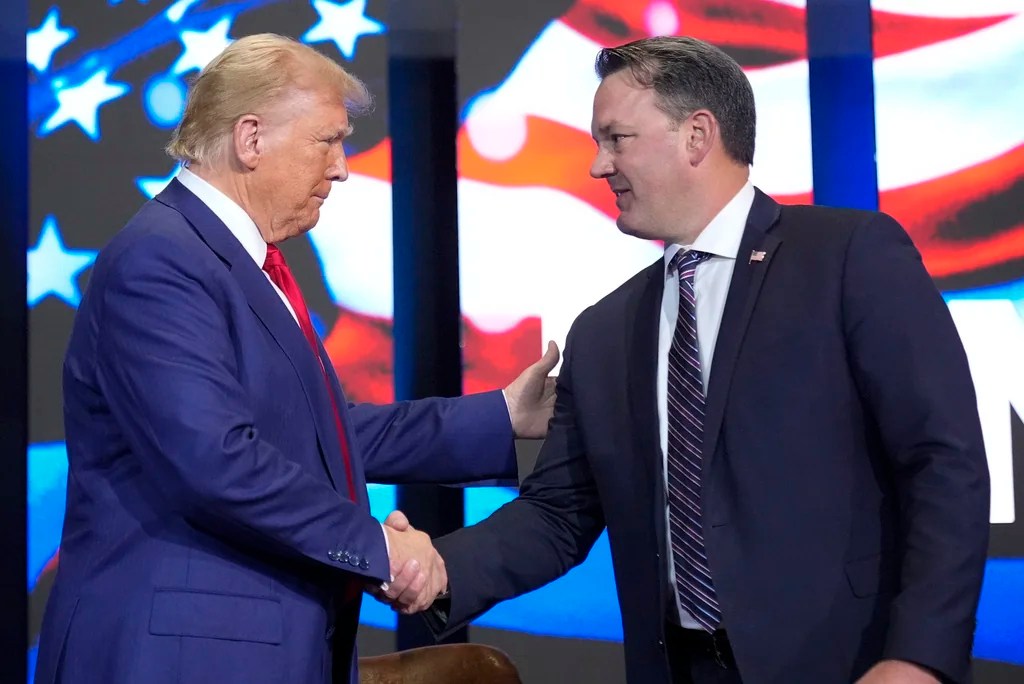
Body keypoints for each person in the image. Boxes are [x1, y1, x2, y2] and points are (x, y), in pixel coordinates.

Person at [382, 36, 991, 684]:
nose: (597, 165)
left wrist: (919, 657)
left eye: (616, 139)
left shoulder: (848, 258)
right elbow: (558, 514)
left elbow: (942, 463)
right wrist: (439, 569)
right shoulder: (605, 330)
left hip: (848, 666)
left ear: (697, 136)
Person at [33, 33, 558, 684]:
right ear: (250, 139)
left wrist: (501, 415)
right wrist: (380, 552)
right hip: (183, 656)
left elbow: (324, 434)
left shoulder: (245, 266)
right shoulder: (161, 263)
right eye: (327, 140)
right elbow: (216, 460)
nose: (341, 167)